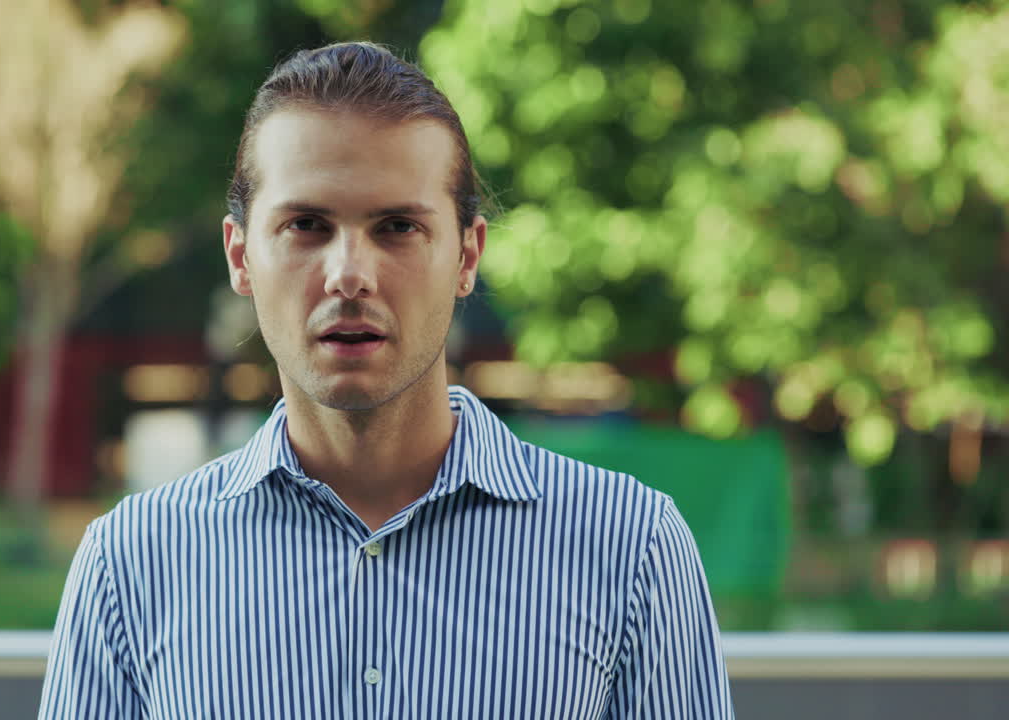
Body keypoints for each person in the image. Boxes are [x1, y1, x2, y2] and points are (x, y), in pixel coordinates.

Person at [39, 42, 734, 719]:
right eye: (307, 225)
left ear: (467, 257)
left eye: (397, 227)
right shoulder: (130, 565)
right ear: (241, 255)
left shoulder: (631, 549)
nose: (349, 274)